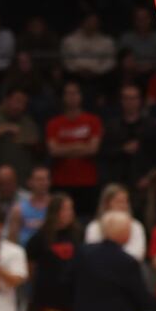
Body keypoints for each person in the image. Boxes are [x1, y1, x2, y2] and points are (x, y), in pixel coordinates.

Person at [46, 82, 103, 217]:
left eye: (75, 93)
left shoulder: (93, 121)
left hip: (87, 182)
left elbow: (93, 149)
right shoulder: (54, 123)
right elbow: (54, 151)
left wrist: (65, 148)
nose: (72, 97)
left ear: (81, 96)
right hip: (62, 181)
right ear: (63, 97)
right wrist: (80, 145)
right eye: (68, 93)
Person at [25, 192, 79, 311]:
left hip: (71, 297)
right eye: (65, 209)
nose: (70, 213)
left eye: (71, 209)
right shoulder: (39, 238)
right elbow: (30, 269)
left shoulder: (77, 234)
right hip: (46, 298)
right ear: (54, 212)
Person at [85, 184, 148, 261]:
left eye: (125, 202)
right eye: (118, 202)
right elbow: (92, 253)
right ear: (106, 204)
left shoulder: (136, 225)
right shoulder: (94, 226)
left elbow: (137, 255)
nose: (123, 206)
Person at [8, 166, 53, 246]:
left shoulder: (56, 206)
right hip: (24, 250)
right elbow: (12, 239)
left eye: (46, 179)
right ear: (30, 182)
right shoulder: (18, 209)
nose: (43, 183)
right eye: (39, 180)